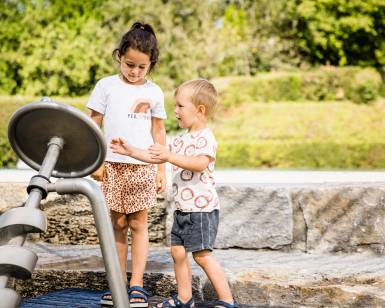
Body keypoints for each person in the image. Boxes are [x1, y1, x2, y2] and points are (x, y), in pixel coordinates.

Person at [110, 79, 238, 308]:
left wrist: (169, 157)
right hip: (183, 210)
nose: (175, 111)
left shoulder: (205, 138)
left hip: (201, 210)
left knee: (202, 255)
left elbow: (198, 164)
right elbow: (155, 156)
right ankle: (185, 297)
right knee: (177, 253)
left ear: (200, 110)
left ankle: (227, 300)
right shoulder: (180, 140)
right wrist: (130, 150)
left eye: (180, 106)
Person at [87, 22, 167, 307]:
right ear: (119, 55)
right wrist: (95, 161)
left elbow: (158, 131)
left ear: (151, 65)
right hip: (112, 165)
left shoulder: (155, 92)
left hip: (142, 166)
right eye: (129, 64)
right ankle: (118, 281)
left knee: (139, 224)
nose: (134, 72)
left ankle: (137, 284)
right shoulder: (106, 86)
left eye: (141, 68)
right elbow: (93, 124)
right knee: (118, 224)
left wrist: (160, 168)